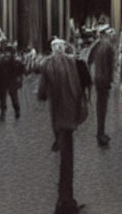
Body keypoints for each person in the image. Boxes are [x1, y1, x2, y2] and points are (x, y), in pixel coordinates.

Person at [37, 38, 88, 214]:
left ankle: (65, 201)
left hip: (58, 117)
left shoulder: (46, 65)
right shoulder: (72, 62)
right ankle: (66, 201)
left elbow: (41, 93)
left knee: (64, 160)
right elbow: (81, 85)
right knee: (67, 160)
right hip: (71, 116)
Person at [87, 25, 115, 147]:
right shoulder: (109, 47)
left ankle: (100, 132)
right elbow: (110, 67)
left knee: (100, 107)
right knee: (102, 108)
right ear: (106, 34)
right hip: (104, 80)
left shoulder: (98, 45)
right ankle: (100, 135)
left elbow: (89, 60)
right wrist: (110, 81)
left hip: (98, 79)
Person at [0, 41, 24, 120]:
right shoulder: (1, 61)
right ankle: (3, 112)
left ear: (11, 53)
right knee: (2, 98)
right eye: (6, 52)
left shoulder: (15, 62)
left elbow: (21, 70)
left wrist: (19, 78)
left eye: (9, 52)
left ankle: (17, 110)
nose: (7, 54)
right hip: (2, 82)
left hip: (11, 81)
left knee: (14, 96)